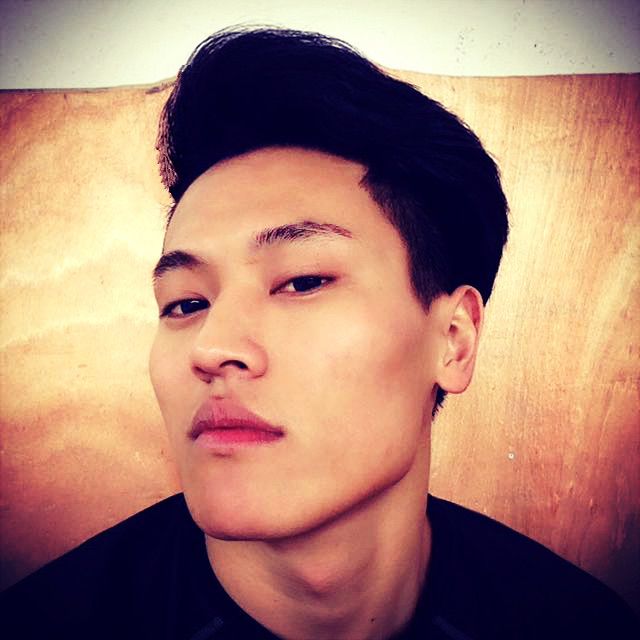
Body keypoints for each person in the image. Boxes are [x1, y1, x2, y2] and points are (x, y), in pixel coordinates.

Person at [1, 27, 637, 640]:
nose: (210, 347)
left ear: (453, 339)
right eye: (185, 303)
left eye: (302, 282)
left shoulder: (577, 622)